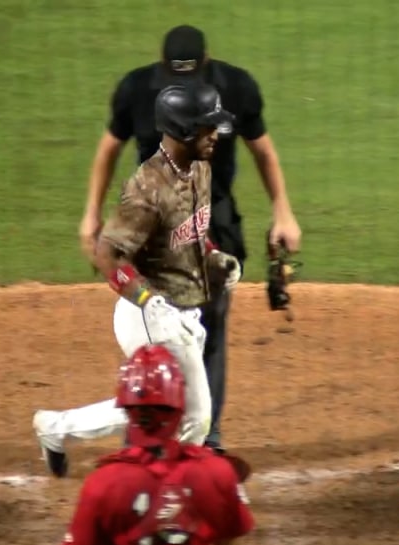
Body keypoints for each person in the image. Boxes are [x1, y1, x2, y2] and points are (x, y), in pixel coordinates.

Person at [78, 24, 303, 453]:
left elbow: (263, 150)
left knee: (209, 329)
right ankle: (137, 437)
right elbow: (109, 150)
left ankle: (205, 440)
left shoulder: (233, 90)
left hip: (209, 219)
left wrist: (282, 212)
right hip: (153, 230)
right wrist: (93, 217)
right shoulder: (138, 91)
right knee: (155, 338)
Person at [32, 81, 242, 477]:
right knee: (195, 417)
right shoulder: (147, 190)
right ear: (182, 130)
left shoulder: (200, 169)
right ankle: (175, 494)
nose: (216, 135)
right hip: (148, 312)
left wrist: (215, 257)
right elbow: (107, 254)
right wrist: (149, 301)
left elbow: (190, 234)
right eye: (207, 127)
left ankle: (54, 428)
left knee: (155, 406)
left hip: (182, 310)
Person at [60, 344, 255, 545]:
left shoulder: (101, 484)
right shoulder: (216, 472)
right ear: (180, 406)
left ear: (126, 409)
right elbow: (228, 543)